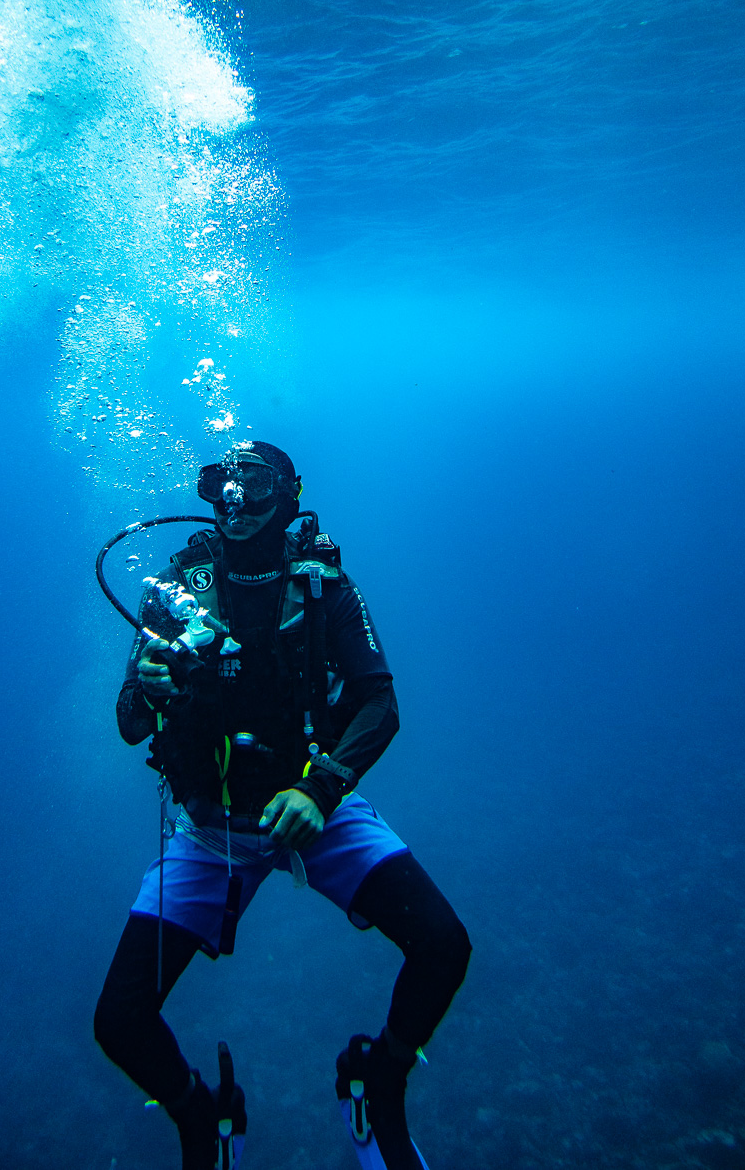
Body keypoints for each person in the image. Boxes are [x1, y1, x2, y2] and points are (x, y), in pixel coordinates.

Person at [94, 441, 471, 1170]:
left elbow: (379, 702)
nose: (235, 500)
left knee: (443, 946)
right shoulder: (176, 592)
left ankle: (377, 1083)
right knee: (119, 1019)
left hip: (315, 805)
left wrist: (320, 787)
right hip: (210, 831)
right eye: (221, 484)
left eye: (254, 483)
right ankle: (202, 1116)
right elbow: (130, 722)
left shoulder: (325, 588)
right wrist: (146, 686)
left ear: (289, 494)